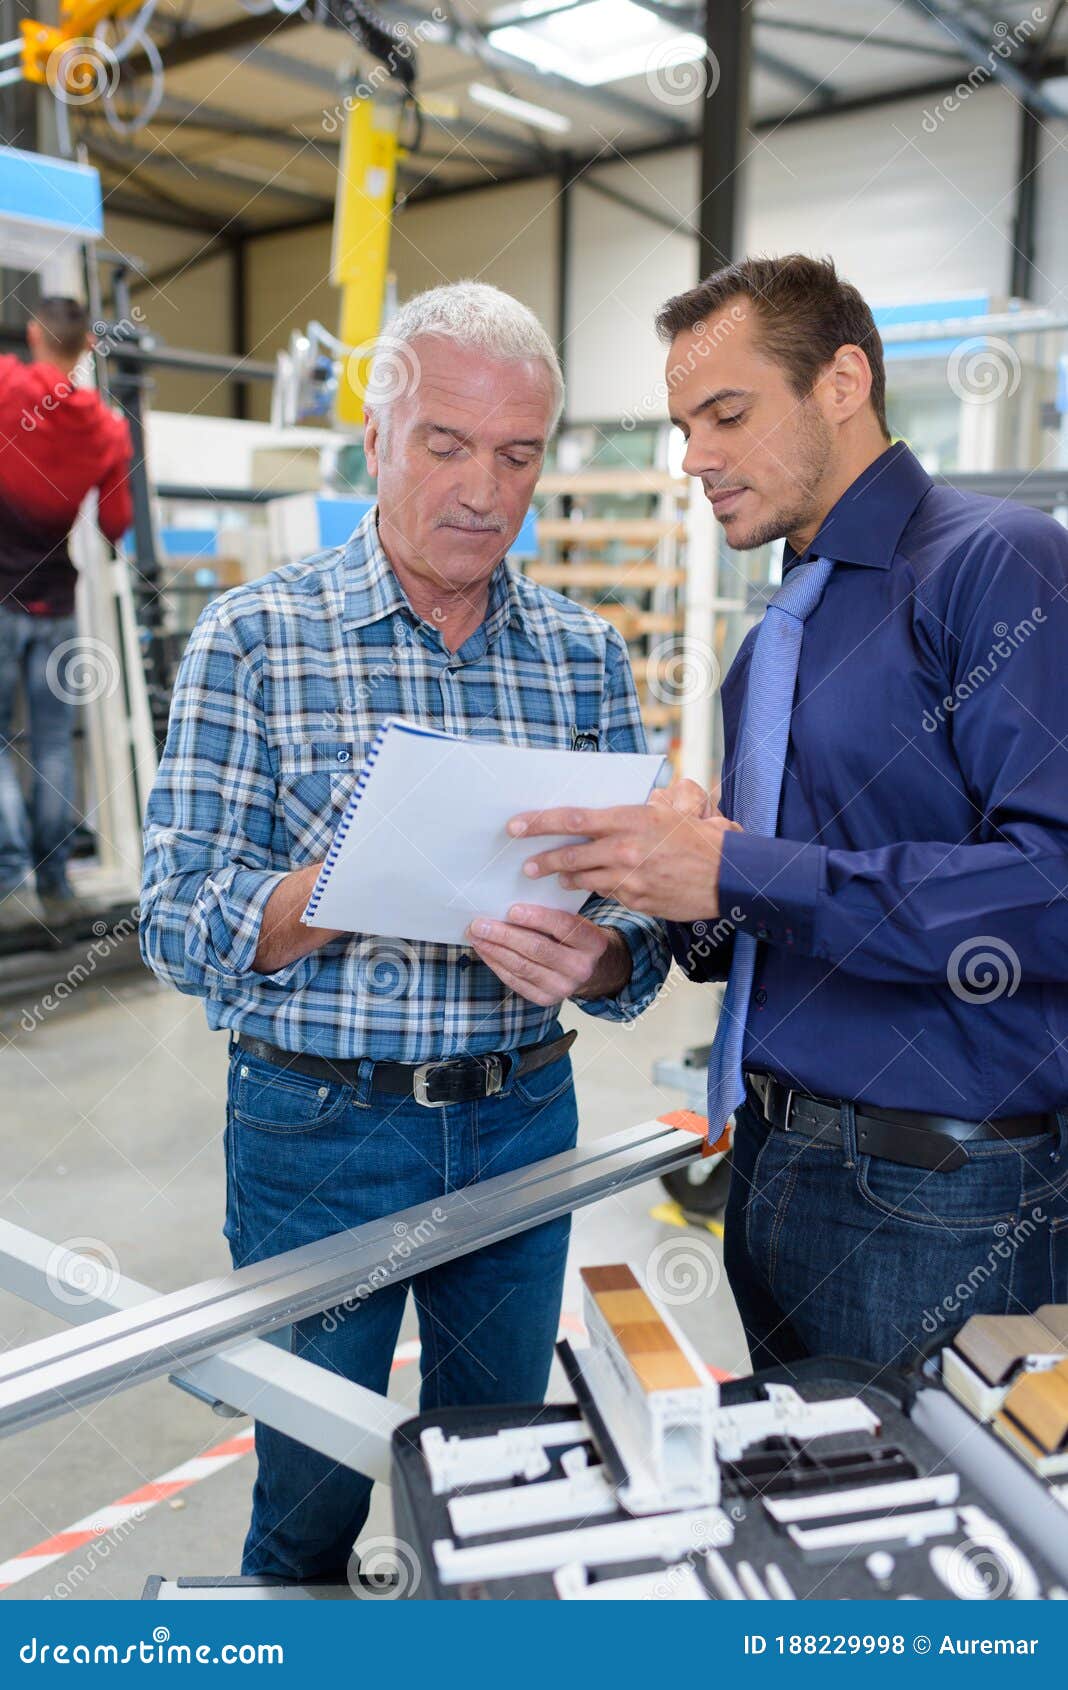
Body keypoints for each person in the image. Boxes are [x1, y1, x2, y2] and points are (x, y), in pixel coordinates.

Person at [139, 281, 671, 1582]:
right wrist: (332, 891)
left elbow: (635, 925)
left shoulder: (583, 659)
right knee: (311, 1492)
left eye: (517, 453)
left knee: (500, 1482)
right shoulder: (254, 641)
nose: (483, 487)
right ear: (376, 439)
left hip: (518, 1118)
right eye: (445, 442)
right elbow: (171, 918)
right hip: (318, 1131)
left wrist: (600, 958)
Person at [510, 253, 1068, 1373]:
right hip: (770, 1163)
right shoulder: (776, 642)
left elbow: (1050, 891)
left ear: (843, 381)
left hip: (939, 1190)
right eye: (682, 426)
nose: (695, 459)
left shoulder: (998, 568)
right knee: (805, 1526)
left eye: (726, 415)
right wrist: (641, 916)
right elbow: (750, 932)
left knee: (922, 1540)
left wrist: (738, 871)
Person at [0, 296, 133, 929]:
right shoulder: (107, 428)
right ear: (88, 347)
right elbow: (115, 523)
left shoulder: (5, 385)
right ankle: (53, 884)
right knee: (51, 743)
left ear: (33, 334)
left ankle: (8, 880)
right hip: (56, 600)